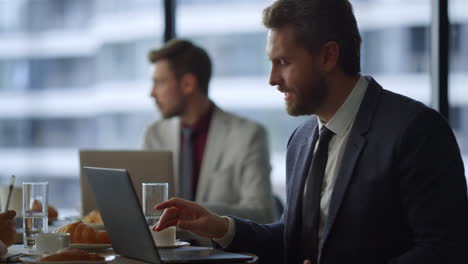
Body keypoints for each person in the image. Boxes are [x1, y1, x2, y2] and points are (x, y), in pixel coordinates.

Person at [154, 0, 468, 263]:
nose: (272, 79)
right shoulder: (302, 139)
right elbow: (293, 239)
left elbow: (444, 251)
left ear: (328, 56)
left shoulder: (416, 130)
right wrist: (220, 226)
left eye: (284, 62)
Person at [142, 39, 277, 224]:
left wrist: (192, 212)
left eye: (160, 82)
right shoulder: (154, 135)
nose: (152, 93)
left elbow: (262, 214)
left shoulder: (248, 135)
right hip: (163, 249)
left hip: (218, 250)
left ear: (188, 84)